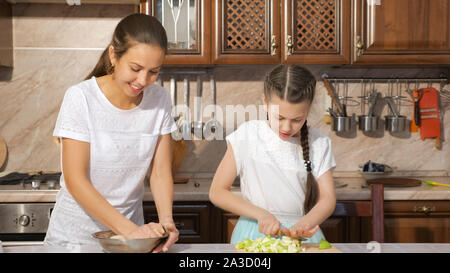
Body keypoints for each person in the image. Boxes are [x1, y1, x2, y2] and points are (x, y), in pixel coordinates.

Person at [44, 14, 179, 252]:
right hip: (75, 240)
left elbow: (159, 172)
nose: (143, 80)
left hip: (130, 240)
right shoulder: (81, 98)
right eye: (135, 68)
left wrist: (166, 222)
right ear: (114, 55)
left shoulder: (160, 100)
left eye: (154, 71)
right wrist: (130, 231)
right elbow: (76, 181)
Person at [209, 65, 336, 244]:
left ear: (308, 110)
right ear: (265, 102)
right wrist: (261, 215)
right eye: (280, 117)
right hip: (253, 231)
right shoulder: (247, 135)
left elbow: (328, 198)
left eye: (297, 120)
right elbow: (217, 192)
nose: (286, 127)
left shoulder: (319, 143)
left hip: (301, 235)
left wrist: (306, 223)